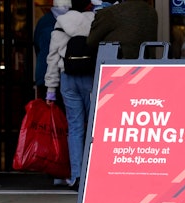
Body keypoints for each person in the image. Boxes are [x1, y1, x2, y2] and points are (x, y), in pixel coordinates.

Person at [44, 0, 95, 191]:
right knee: (94, 127)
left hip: (68, 78)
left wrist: (50, 89)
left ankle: (77, 176)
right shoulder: (94, 21)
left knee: (75, 128)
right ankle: (94, 174)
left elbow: (52, 58)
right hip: (90, 78)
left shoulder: (61, 23)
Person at [87, 0, 158, 59]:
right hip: (148, 67)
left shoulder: (110, 12)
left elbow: (91, 41)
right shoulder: (151, 11)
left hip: (117, 68)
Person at [33, 0, 71, 100]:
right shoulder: (73, 21)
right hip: (65, 75)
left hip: (44, 74)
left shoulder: (44, 21)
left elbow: (37, 45)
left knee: (47, 113)